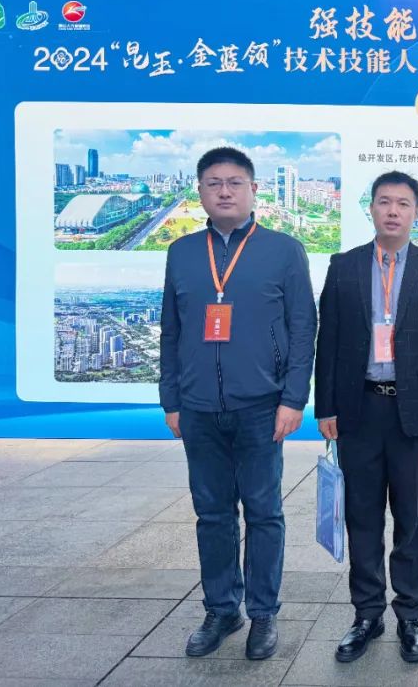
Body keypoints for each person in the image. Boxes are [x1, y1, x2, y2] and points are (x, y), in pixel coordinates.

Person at [160, 146, 317, 661]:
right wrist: (171, 398)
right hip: (198, 407)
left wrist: (293, 398)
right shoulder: (182, 252)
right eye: (213, 183)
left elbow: (302, 328)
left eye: (234, 182)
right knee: (212, 513)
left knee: (264, 512)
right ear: (200, 191)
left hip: (261, 406)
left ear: (253, 190)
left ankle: (263, 613)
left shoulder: (284, 250)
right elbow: (171, 330)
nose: (224, 191)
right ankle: (221, 608)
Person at [315, 171, 418, 664]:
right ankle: (367, 613)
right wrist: (326, 406)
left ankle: (411, 614)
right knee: (361, 515)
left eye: (403, 203)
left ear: (416, 213)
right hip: (358, 409)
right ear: (371, 209)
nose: (393, 211)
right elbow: (328, 341)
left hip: (414, 413)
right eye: (384, 202)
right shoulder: (344, 266)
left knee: (411, 518)